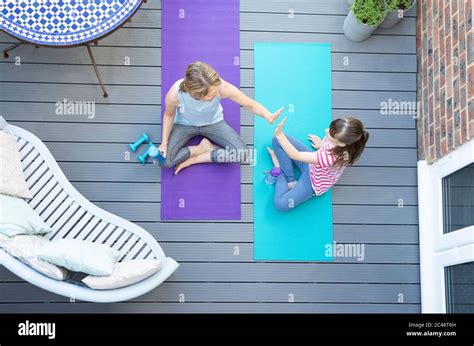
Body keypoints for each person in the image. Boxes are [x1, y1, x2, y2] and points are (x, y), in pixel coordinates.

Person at [159, 61, 283, 174]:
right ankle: (198, 149)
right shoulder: (174, 95)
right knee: (165, 161)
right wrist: (164, 143)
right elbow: (169, 115)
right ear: (196, 95)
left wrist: (267, 115)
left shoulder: (220, 87)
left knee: (242, 155)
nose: (216, 93)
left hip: (213, 123)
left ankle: (200, 153)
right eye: (211, 95)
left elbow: (249, 103)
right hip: (185, 125)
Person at [267, 117, 369, 211]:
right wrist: (321, 145)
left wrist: (280, 135)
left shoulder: (330, 158)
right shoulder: (344, 144)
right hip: (313, 163)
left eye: (330, 134)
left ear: (341, 144)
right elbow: (325, 151)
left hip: (313, 182)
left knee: (281, 204)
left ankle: (278, 169)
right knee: (277, 140)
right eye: (330, 128)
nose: (326, 131)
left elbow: (295, 155)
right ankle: (291, 181)